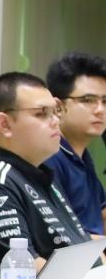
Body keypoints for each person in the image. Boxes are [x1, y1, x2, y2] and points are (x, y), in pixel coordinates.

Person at [0, 72, 90, 279]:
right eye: (41, 114)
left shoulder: (41, 174)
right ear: (5, 125)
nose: (55, 121)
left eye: (56, 112)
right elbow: (26, 267)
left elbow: (79, 243)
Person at [44, 52, 106, 235]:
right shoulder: (48, 157)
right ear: (58, 107)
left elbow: (100, 213)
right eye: (88, 100)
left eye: (105, 101)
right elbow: (64, 238)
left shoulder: (81, 153)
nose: (100, 110)